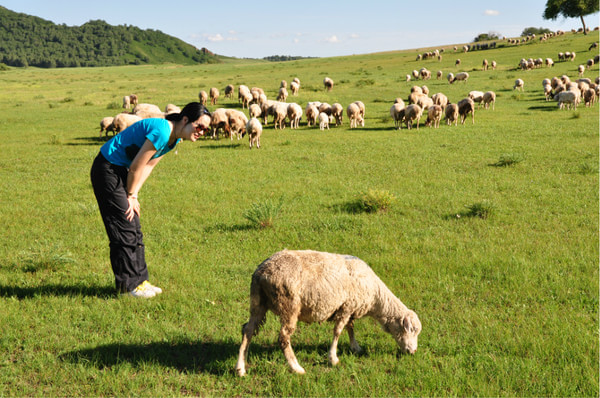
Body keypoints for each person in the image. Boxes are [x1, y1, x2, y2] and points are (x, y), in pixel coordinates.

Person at [91, 102, 211, 298]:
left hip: (122, 170)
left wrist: (134, 194)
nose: (202, 132)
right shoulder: (163, 131)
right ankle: (127, 287)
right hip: (108, 169)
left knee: (134, 226)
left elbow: (149, 166)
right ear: (185, 120)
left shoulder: (175, 139)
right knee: (124, 227)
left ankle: (140, 282)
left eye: (206, 129)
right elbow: (137, 166)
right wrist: (130, 195)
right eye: (200, 126)